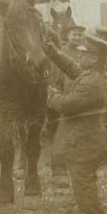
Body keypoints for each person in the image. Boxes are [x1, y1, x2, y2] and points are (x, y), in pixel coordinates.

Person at [43, 35, 107, 214]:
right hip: (84, 141)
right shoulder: (91, 75)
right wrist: (53, 52)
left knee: (84, 186)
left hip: (84, 143)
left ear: (94, 58)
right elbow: (72, 68)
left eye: (84, 52)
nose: (79, 54)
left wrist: (49, 93)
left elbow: (66, 105)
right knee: (81, 184)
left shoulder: (92, 83)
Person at [47, 24, 86, 183]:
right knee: (59, 130)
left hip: (81, 96)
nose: (77, 38)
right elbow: (56, 74)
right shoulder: (61, 51)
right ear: (68, 35)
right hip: (62, 95)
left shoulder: (85, 52)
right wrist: (56, 94)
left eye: (79, 35)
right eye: (74, 35)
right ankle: (59, 168)